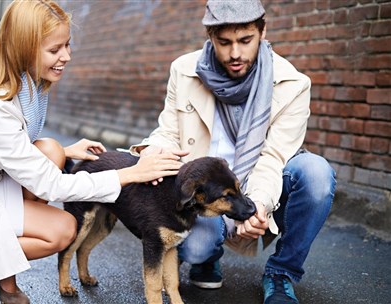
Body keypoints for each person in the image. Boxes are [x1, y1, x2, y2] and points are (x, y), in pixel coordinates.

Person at [0, 1, 183, 304]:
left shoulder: (26, 84)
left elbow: (16, 147)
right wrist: (130, 173)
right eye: (55, 49)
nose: (66, 56)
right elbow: (50, 185)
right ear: (24, 48)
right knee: (62, 230)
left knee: (50, 150)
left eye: (67, 45)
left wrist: (66, 149)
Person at [130, 1, 336, 303]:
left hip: (258, 184)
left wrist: (259, 204)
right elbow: (169, 131)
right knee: (198, 247)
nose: (235, 54)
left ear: (262, 32)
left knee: (317, 174)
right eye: (224, 43)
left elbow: (273, 158)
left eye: (245, 40)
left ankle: (282, 273)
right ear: (210, 37)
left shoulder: (293, 84)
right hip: (208, 192)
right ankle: (206, 257)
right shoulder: (185, 70)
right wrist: (151, 150)